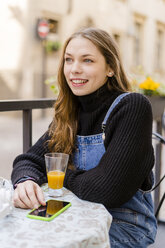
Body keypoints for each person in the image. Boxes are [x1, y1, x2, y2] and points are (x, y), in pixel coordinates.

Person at [11, 27, 157, 247]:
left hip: (124, 226)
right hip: (75, 215)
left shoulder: (132, 107)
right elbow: (29, 160)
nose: (74, 69)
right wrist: (25, 181)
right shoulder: (70, 112)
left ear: (110, 67)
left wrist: (59, 173)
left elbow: (106, 189)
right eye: (69, 60)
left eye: (87, 61)